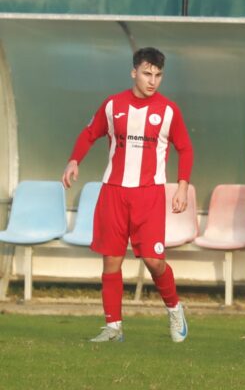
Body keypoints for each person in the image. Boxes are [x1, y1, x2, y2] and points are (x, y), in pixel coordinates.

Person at [62, 47, 193, 343]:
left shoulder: (168, 110)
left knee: (153, 260)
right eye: (147, 73)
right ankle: (113, 327)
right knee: (111, 260)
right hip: (114, 192)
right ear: (134, 72)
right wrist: (73, 160)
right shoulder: (113, 105)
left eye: (158, 75)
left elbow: (185, 148)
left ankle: (174, 308)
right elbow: (89, 133)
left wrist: (182, 185)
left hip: (149, 195)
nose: (152, 80)